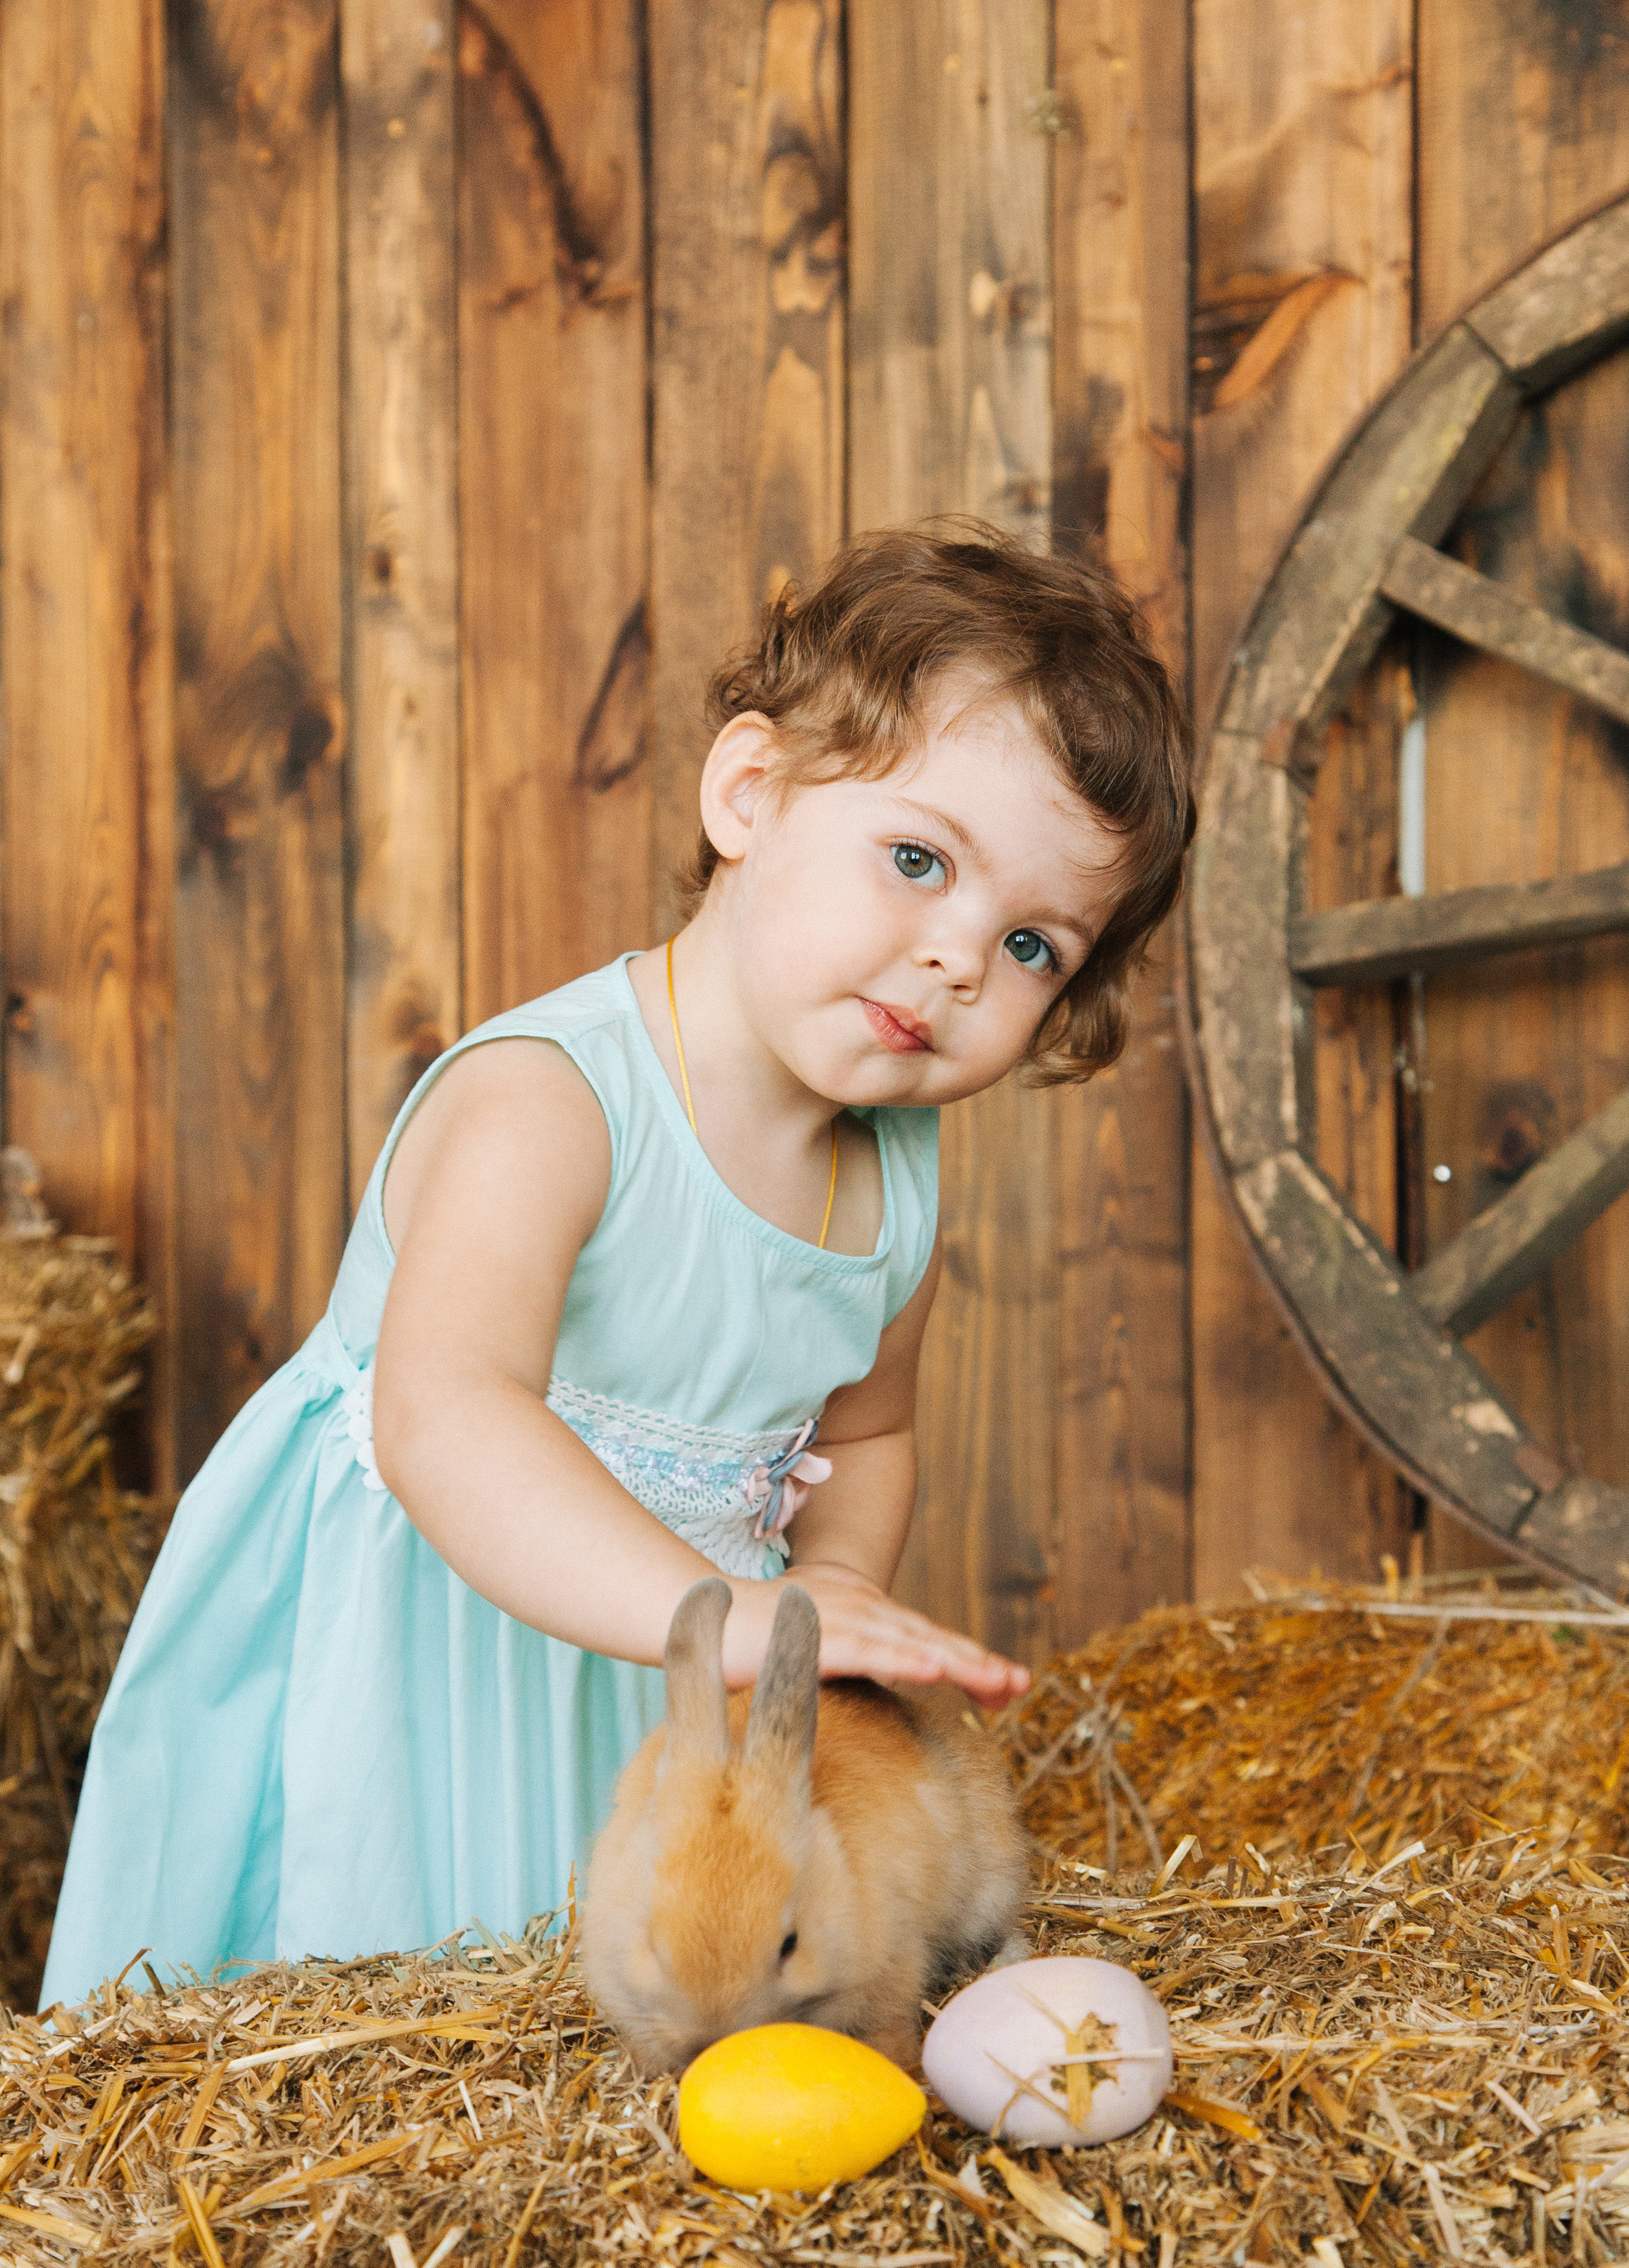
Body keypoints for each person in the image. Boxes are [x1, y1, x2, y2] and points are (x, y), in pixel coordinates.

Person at [42, 520, 1192, 2007]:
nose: (961, 959)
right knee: (403, 2021)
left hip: (680, 1688)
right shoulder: (557, 1102)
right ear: (751, 792)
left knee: (653, 2014)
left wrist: (821, 1611)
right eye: (918, 860)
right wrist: (725, 1617)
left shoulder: (896, 1185)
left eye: (1035, 945)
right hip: (424, 1658)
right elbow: (447, 1417)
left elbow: (869, 1431)